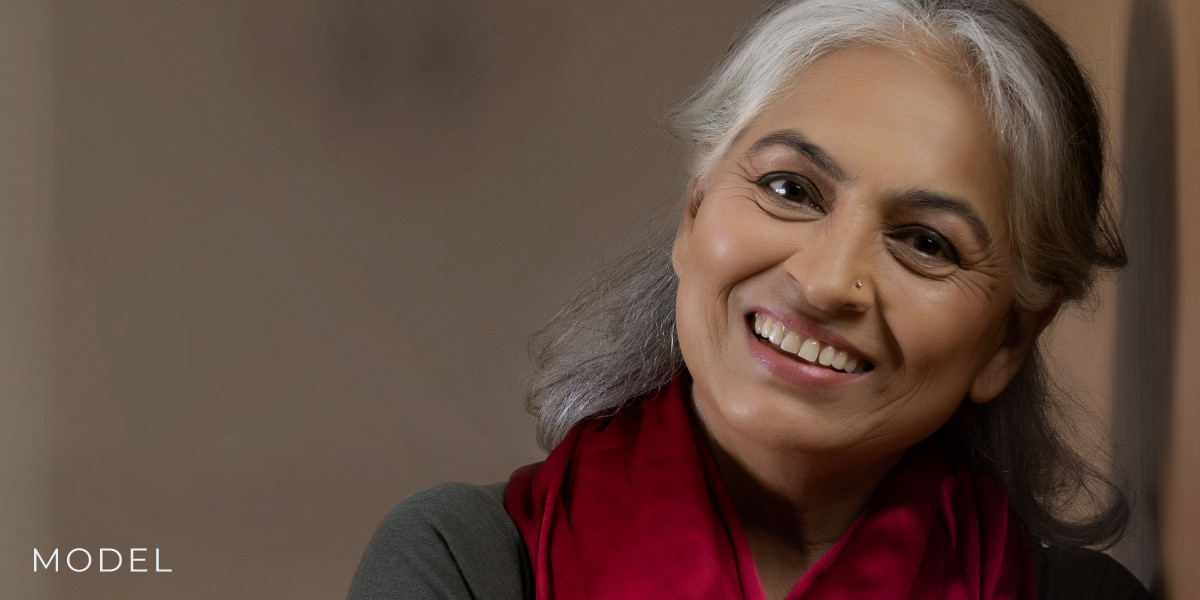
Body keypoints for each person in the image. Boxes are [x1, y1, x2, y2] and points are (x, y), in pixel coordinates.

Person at [347, 0, 1151, 598]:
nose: (829, 280)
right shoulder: (463, 565)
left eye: (926, 242)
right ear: (694, 211)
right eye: (789, 188)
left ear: (1010, 339)